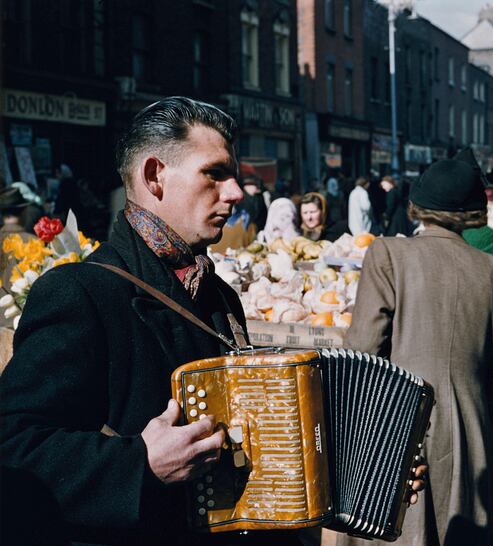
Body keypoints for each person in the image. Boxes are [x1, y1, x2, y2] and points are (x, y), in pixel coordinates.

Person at [0, 97, 322, 546]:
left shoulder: (219, 294)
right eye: (215, 173)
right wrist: (138, 464)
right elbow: (13, 450)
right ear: (155, 176)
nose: (236, 192)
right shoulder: (79, 291)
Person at [341, 148, 493, 546]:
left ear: (416, 207)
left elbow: (363, 352)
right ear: (472, 214)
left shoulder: (388, 254)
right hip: (469, 427)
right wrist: (468, 385)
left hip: (392, 421)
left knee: (392, 527)